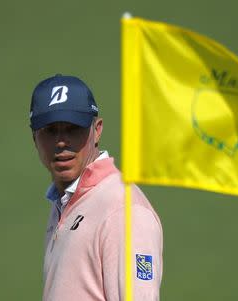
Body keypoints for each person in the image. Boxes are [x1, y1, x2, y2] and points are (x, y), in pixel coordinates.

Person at [29, 74, 163, 301]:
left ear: (97, 129)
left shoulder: (124, 211)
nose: (62, 142)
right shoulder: (64, 202)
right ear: (34, 137)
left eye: (73, 128)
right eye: (50, 130)